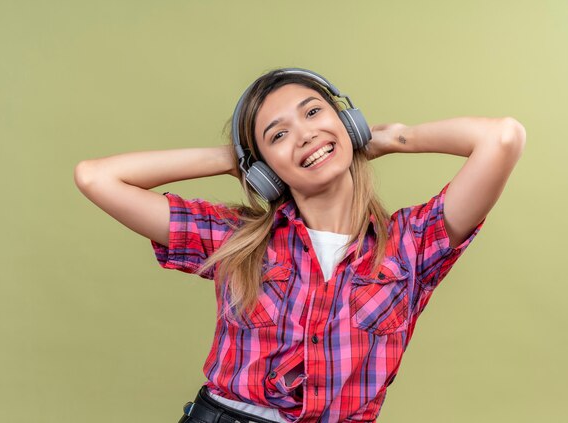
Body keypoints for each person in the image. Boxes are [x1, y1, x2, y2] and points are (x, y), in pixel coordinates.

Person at [73, 68, 526, 422]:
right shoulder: (237, 239)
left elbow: (502, 137)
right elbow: (96, 177)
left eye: (313, 113)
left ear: (346, 121)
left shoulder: (413, 243)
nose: (305, 134)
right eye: (278, 135)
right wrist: (234, 158)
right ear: (265, 169)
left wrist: (389, 136)